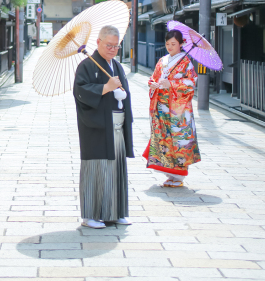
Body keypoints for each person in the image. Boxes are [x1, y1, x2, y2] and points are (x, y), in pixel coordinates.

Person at [73, 25, 134, 229]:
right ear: (98, 42)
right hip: (97, 128)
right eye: (109, 45)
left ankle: (115, 213)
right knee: (96, 170)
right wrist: (105, 88)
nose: (113, 49)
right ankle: (90, 215)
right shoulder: (87, 66)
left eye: (116, 46)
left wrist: (122, 94)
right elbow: (80, 92)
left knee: (116, 171)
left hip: (117, 127)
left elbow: (122, 90)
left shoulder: (116, 66)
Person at [143, 29, 200, 187]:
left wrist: (173, 84)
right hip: (162, 106)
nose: (169, 47)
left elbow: (191, 83)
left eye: (173, 44)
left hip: (178, 110)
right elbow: (153, 77)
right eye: (167, 44)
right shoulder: (162, 61)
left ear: (181, 44)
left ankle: (179, 176)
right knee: (164, 140)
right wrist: (153, 84)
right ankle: (169, 173)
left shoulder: (186, 62)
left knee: (179, 140)